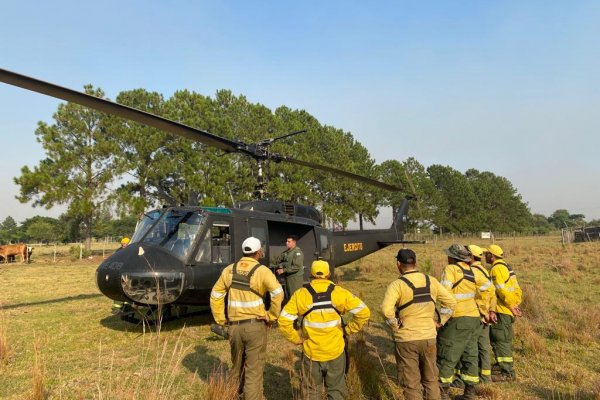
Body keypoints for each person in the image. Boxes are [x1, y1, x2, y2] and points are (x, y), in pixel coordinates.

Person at [278, 260, 370, 400]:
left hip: (311, 353)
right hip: (336, 352)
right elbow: (364, 312)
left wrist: (296, 339)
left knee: (311, 392)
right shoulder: (339, 293)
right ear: (328, 274)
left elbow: (283, 320)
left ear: (311, 274)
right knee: (336, 391)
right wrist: (348, 330)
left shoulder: (301, 294)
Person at [210, 237, 284, 400]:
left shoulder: (229, 270)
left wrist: (221, 319)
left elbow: (216, 295)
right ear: (259, 252)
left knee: (236, 367)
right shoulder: (262, 271)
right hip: (255, 326)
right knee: (253, 370)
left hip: (234, 327)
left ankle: (229, 395)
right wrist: (270, 316)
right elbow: (278, 293)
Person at [381, 249, 456, 400]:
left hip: (406, 339)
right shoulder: (431, 280)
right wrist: (441, 321)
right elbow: (451, 302)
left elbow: (386, 310)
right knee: (431, 380)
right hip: (429, 336)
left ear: (398, 264)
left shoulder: (397, 285)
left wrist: (395, 327)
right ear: (415, 262)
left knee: (411, 384)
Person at [437, 244, 490, 400]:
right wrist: (483, 309)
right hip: (474, 319)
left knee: (447, 354)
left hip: (457, 319)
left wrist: (442, 319)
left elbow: (445, 295)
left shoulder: (451, 270)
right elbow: (488, 288)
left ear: (452, 257)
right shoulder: (474, 271)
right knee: (470, 355)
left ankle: (443, 393)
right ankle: (469, 394)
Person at [485, 244, 522, 382]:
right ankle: (501, 365)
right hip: (508, 308)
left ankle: (507, 373)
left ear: (492, 255)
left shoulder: (496, 269)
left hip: (502, 309)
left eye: (487, 254)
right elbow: (516, 288)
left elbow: (500, 290)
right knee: (502, 340)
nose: (485, 256)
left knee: (500, 340)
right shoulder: (506, 267)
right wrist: (515, 303)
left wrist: (511, 305)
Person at [462, 244, 497, 384]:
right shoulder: (483, 269)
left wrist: (483, 312)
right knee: (484, 346)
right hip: (487, 312)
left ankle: (476, 376)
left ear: (470, 256)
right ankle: (486, 377)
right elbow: (492, 293)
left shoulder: (472, 272)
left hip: (478, 314)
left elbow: (481, 295)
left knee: (473, 346)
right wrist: (491, 310)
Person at [272, 234, 305, 301]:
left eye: (289, 241)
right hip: (288, 278)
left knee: (295, 296)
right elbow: (277, 260)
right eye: (286, 241)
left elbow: (296, 267)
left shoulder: (297, 252)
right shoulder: (287, 252)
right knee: (288, 296)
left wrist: (283, 270)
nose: (286, 243)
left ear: (294, 242)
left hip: (295, 279)